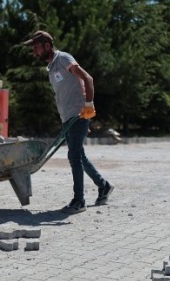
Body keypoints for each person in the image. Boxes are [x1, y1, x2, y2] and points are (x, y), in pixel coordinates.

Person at [23, 30, 113, 214]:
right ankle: (103, 186)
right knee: (79, 155)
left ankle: (79, 201)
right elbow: (71, 88)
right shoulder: (51, 68)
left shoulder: (63, 59)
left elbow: (87, 78)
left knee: (74, 156)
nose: (35, 52)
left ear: (47, 46)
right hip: (69, 118)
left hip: (78, 115)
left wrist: (87, 105)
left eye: (36, 48)